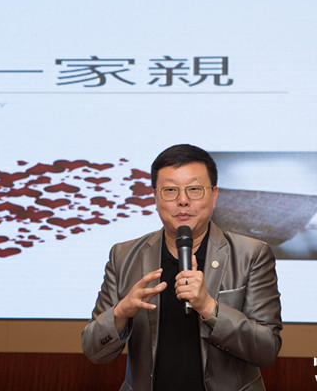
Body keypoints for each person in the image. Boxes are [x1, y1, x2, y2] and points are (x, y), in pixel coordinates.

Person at [81, 144, 282, 391]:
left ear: (214, 195)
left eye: (194, 189)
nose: (183, 201)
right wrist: (121, 312)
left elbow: (267, 349)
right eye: (170, 190)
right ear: (155, 198)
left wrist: (209, 308)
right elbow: (94, 350)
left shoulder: (251, 254)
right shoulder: (123, 256)